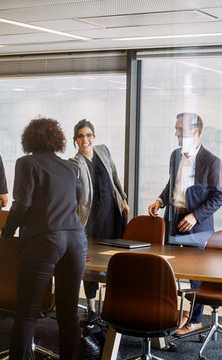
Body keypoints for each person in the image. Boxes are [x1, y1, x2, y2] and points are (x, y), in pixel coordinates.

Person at [1, 118, 86, 360]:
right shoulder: (71, 167)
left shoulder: (26, 163)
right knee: (68, 313)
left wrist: (7, 232)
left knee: (27, 312)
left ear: (28, 140)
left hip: (45, 239)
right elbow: (77, 198)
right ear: (57, 140)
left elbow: (21, 204)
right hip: (76, 239)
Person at [148, 112, 222, 335]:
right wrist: (160, 200)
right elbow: (172, 183)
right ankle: (168, 313)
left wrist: (195, 216)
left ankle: (195, 319)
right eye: (176, 129)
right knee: (166, 270)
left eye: (180, 130)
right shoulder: (175, 156)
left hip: (196, 226)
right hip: (172, 221)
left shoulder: (212, 161)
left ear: (195, 131)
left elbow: (219, 196)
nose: (176, 134)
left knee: (195, 275)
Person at [69, 119, 129, 323]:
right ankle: (92, 308)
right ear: (75, 140)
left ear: (94, 137)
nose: (85, 139)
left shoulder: (103, 151)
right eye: (80, 136)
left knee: (116, 260)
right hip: (91, 219)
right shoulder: (74, 163)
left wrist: (123, 198)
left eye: (88, 135)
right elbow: (76, 195)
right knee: (92, 263)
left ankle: (115, 303)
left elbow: (114, 176)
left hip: (113, 213)